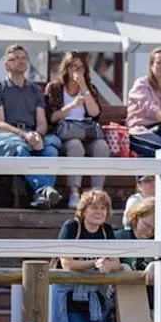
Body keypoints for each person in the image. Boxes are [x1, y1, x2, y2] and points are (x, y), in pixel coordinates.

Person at [0, 44, 63, 209]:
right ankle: (44, 190)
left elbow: (42, 122)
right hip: (9, 136)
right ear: (7, 65)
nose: (20, 61)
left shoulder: (35, 90)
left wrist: (37, 135)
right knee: (20, 150)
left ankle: (40, 195)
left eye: (23, 58)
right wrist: (23, 136)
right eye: (15, 59)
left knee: (51, 150)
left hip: (31, 134)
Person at [44, 51, 109, 208]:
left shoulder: (89, 88)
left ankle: (97, 193)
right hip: (66, 135)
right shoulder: (55, 88)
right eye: (74, 67)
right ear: (66, 68)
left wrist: (84, 87)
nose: (78, 71)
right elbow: (51, 118)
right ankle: (74, 192)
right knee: (75, 146)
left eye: (81, 67)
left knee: (102, 146)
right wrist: (72, 106)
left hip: (87, 134)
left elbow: (95, 113)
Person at [50, 190, 121, 322]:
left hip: (96, 296)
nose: (99, 212)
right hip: (68, 297)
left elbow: (116, 262)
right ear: (83, 211)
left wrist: (108, 266)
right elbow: (67, 264)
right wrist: (94, 263)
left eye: (103, 208)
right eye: (94, 208)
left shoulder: (107, 230)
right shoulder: (72, 227)